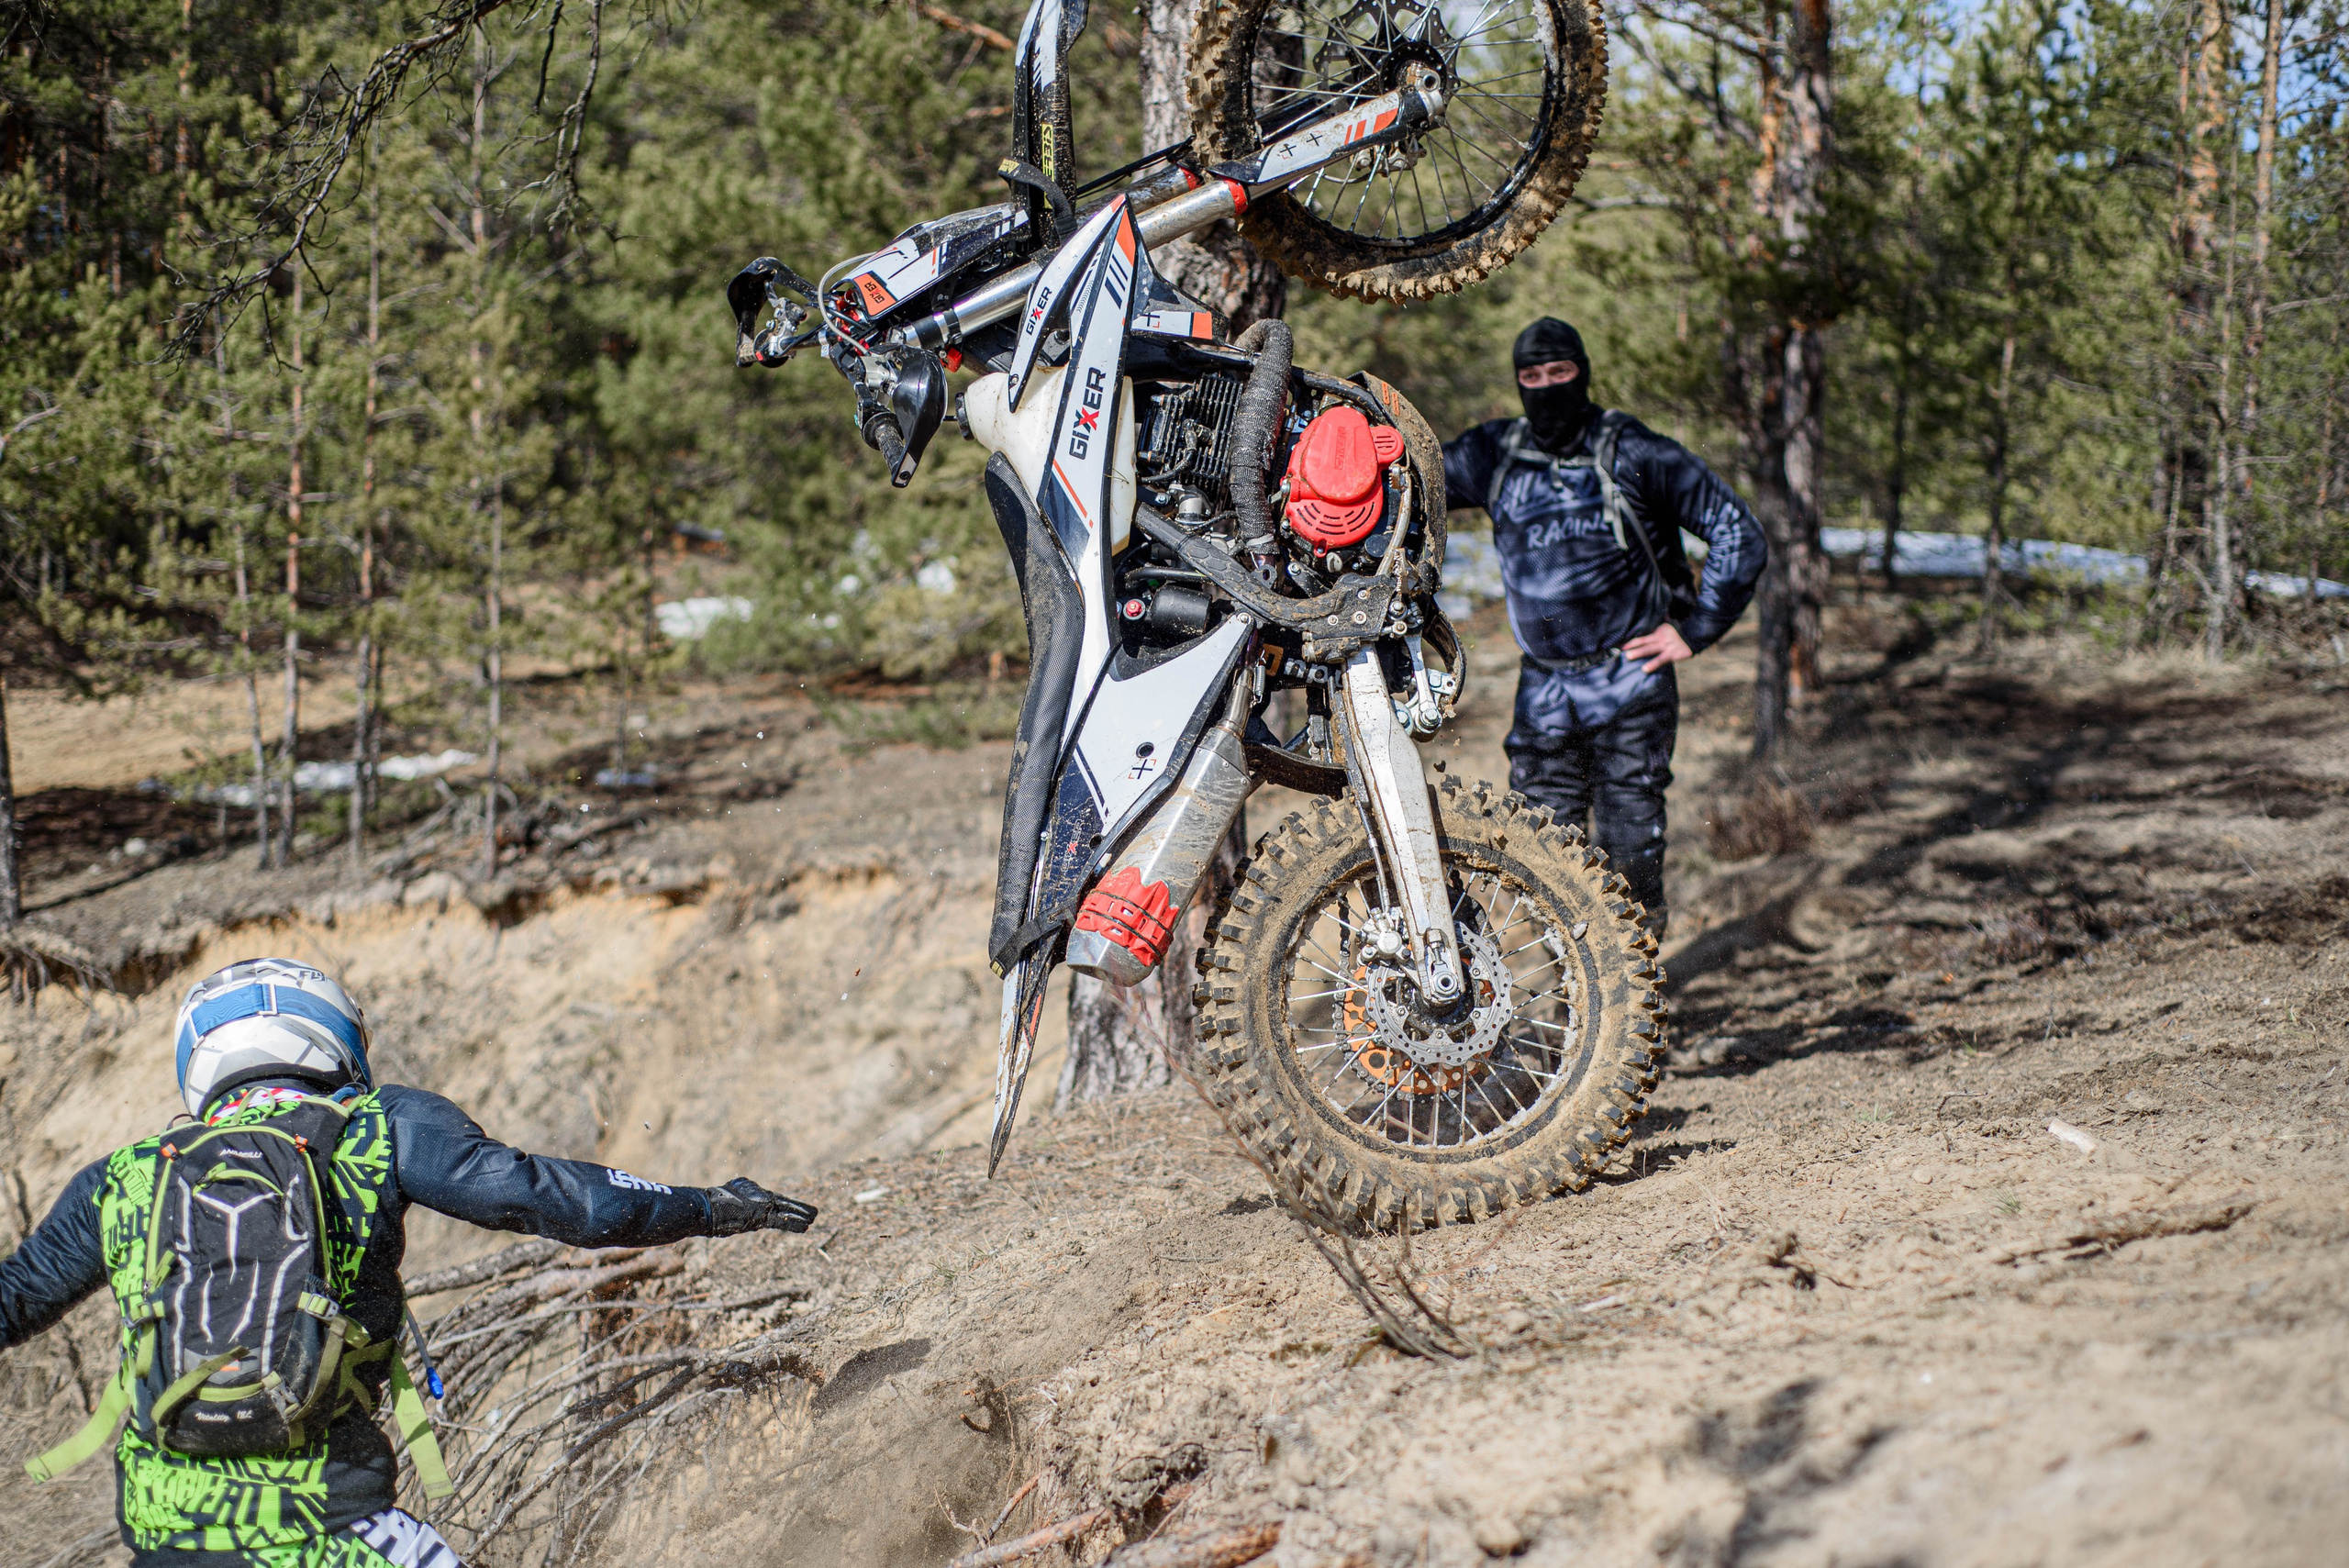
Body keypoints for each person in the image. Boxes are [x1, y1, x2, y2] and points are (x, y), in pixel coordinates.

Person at [0, 958, 818, 1568]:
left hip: (168, 1540)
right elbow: (563, 1199)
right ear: (338, 1039)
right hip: (335, 1528)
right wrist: (709, 1205)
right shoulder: (378, 1125)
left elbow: (15, 1297)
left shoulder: (123, 1177)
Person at [1443, 317, 1767, 937]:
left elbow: (1737, 531)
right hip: (1544, 693)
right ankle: (1578, 1020)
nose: (1545, 386)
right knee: (1547, 863)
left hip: (1632, 684)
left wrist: (1695, 630)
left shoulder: (1633, 450)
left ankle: (1639, 1012)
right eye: (1530, 376)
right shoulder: (1495, 454)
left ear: (1582, 371)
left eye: (1559, 372)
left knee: (1631, 859)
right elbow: (1415, 471)